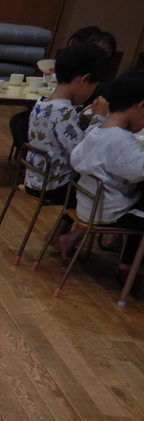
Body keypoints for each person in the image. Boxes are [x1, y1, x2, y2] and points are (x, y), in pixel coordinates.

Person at [24, 43, 109, 258]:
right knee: (101, 190)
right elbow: (82, 152)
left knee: (85, 186)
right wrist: (98, 118)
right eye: (94, 85)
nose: (92, 92)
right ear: (84, 79)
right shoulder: (64, 111)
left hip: (35, 177)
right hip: (53, 184)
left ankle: (58, 233)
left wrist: (79, 118)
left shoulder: (44, 102)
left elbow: (57, 132)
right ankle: (68, 238)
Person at [69, 67, 144, 284]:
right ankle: (129, 267)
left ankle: (126, 263)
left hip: (87, 205)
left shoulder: (97, 130)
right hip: (108, 212)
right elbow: (138, 172)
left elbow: (75, 157)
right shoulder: (121, 141)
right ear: (141, 106)